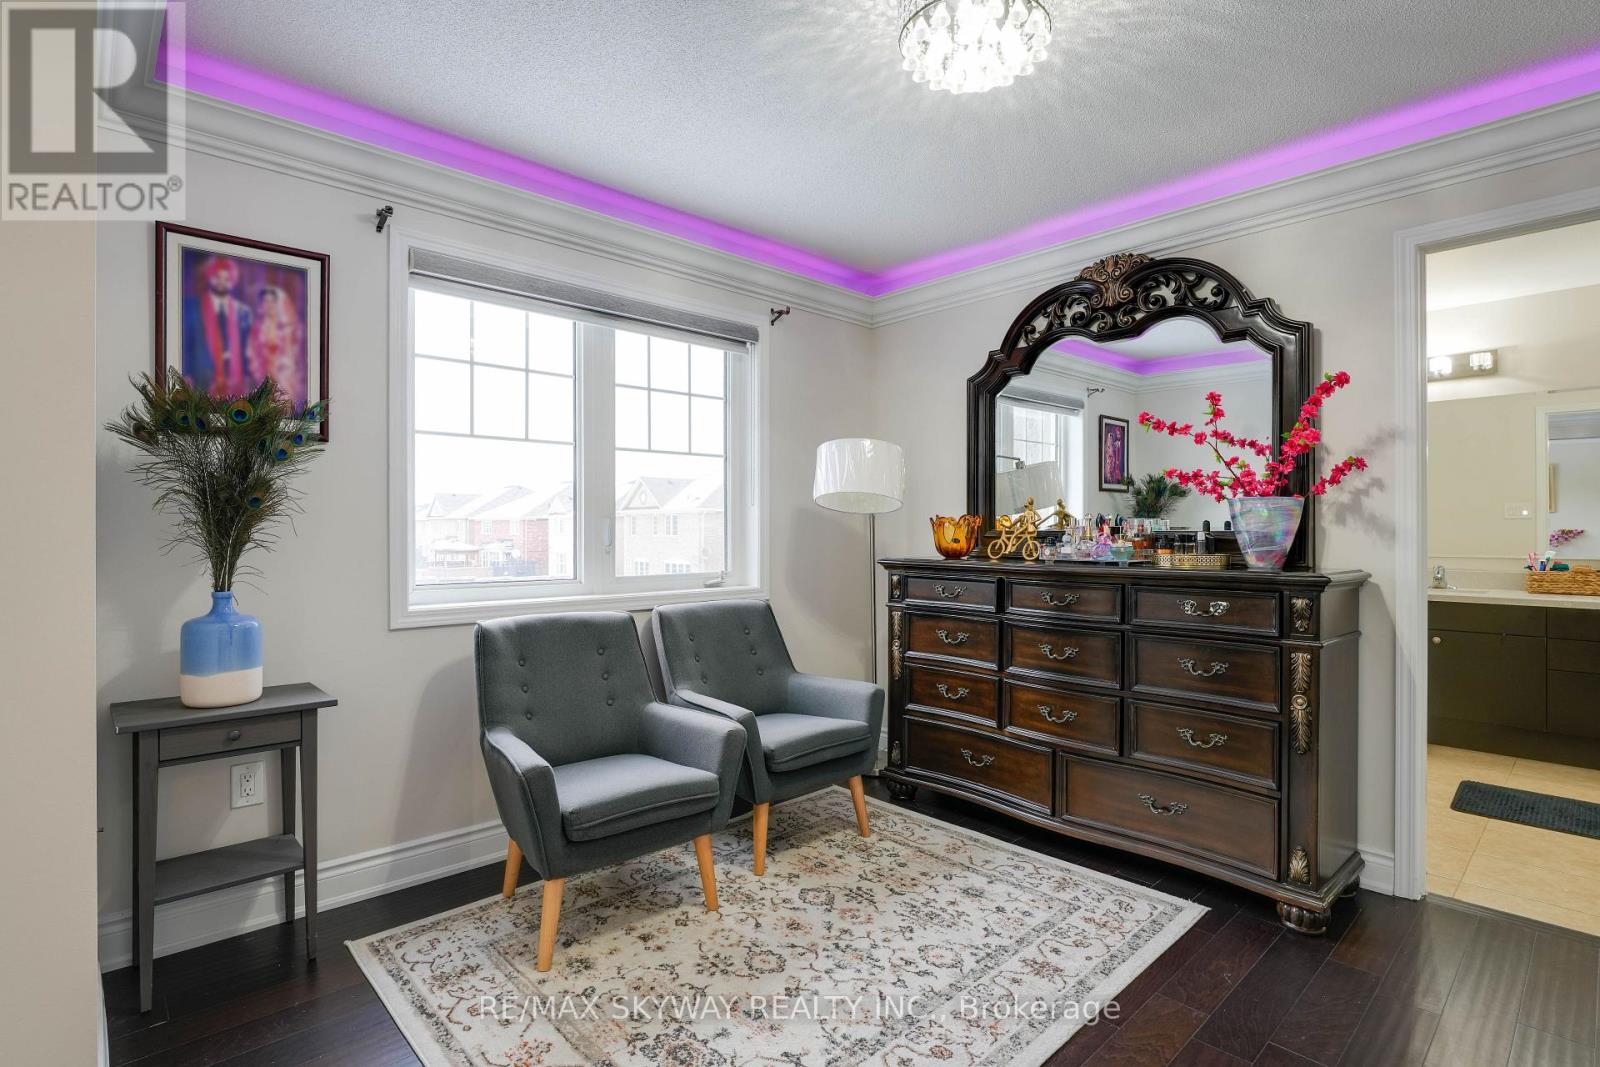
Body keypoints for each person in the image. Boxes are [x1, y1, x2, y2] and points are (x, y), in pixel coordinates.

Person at [182, 256, 253, 396]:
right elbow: (185, 343)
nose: (222, 282)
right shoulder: (191, 306)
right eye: (217, 277)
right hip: (201, 379)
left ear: (233, 281)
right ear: (210, 277)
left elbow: (246, 348)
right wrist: (185, 373)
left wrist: (246, 376)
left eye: (227, 279)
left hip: (234, 381)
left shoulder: (243, 311)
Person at [249, 284, 306, 407]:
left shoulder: (287, 327)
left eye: (272, 301)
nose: (269, 305)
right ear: (261, 304)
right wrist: (258, 371)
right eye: (265, 301)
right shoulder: (256, 327)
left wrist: (283, 371)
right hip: (263, 373)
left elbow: (293, 354)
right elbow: (251, 352)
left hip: (284, 374)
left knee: (284, 403)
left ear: (277, 303)